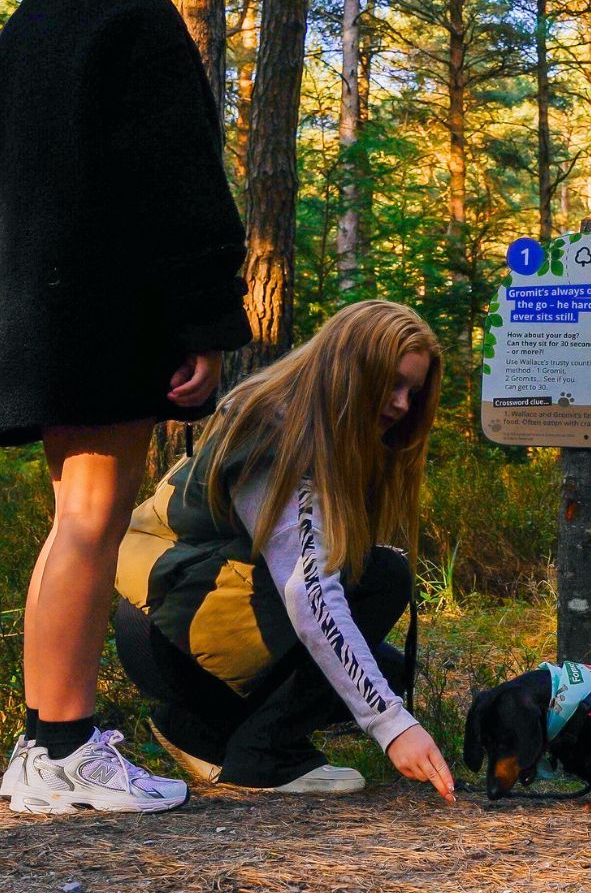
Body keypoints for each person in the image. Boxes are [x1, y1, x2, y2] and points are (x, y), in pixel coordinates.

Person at [0, 0, 251, 814]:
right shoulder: (133, 21)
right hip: (107, 310)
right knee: (93, 522)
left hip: (38, 312)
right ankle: (60, 747)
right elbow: (179, 184)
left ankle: (43, 745)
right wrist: (204, 321)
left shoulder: (25, 31)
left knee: (76, 521)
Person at [111, 300, 456, 802]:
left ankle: (199, 730)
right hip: (170, 635)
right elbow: (308, 587)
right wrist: (391, 724)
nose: (402, 404)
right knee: (382, 576)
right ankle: (263, 757)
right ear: (349, 368)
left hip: (181, 624)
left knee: (389, 669)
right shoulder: (275, 424)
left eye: (413, 392)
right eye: (392, 383)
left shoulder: (318, 422)